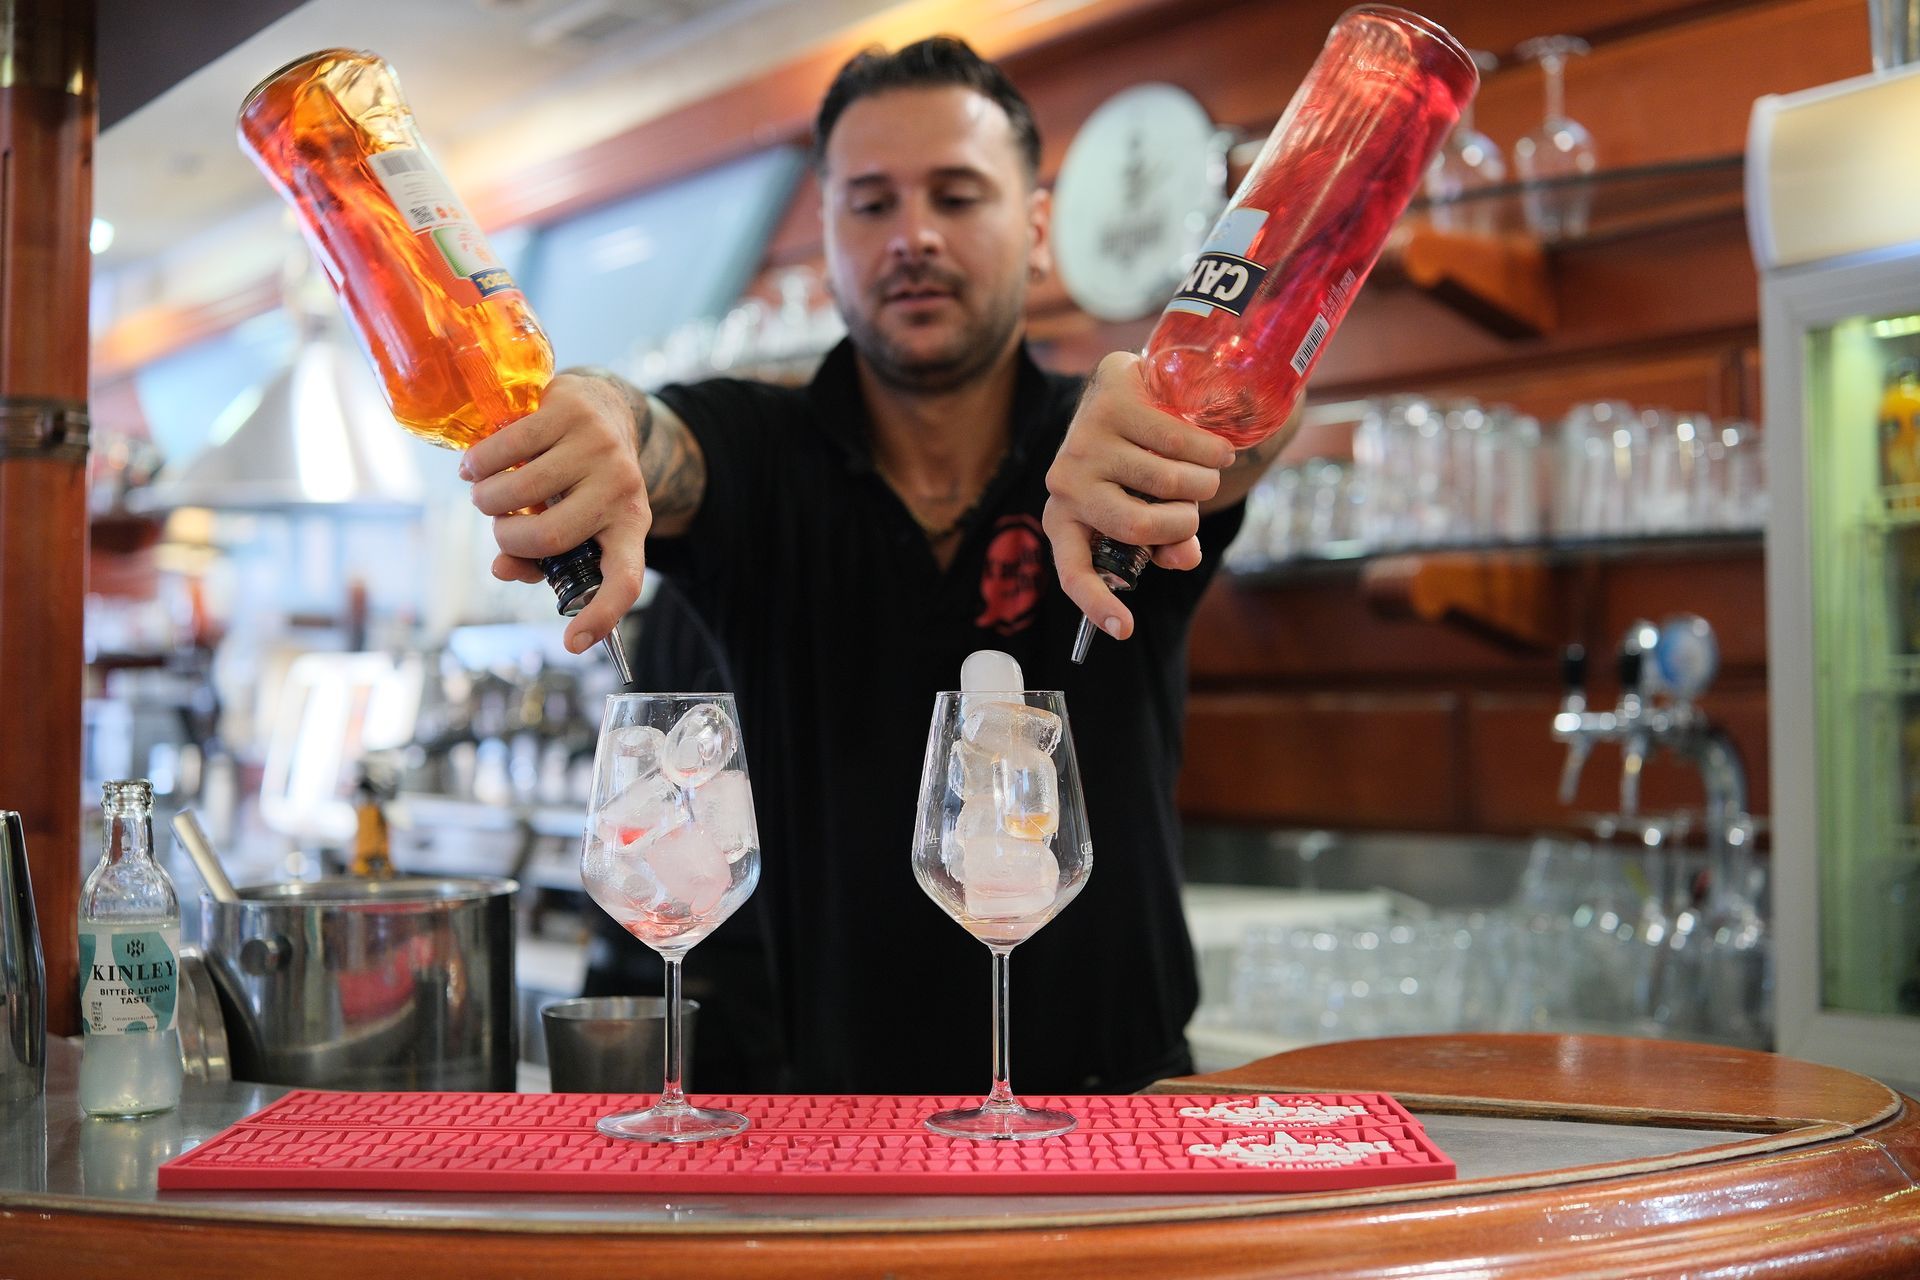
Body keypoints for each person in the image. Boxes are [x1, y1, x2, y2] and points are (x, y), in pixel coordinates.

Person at [460, 36, 1291, 1093]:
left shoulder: (1108, 449)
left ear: (1035, 230)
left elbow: (1239, 442)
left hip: (1118, 1109)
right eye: (870, 203)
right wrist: (597, 417)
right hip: (831, 1131)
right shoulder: (761, 454)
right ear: (825, 234)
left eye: (957, 194)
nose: (914, 237)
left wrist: (1218, 403)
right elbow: (655, 441)